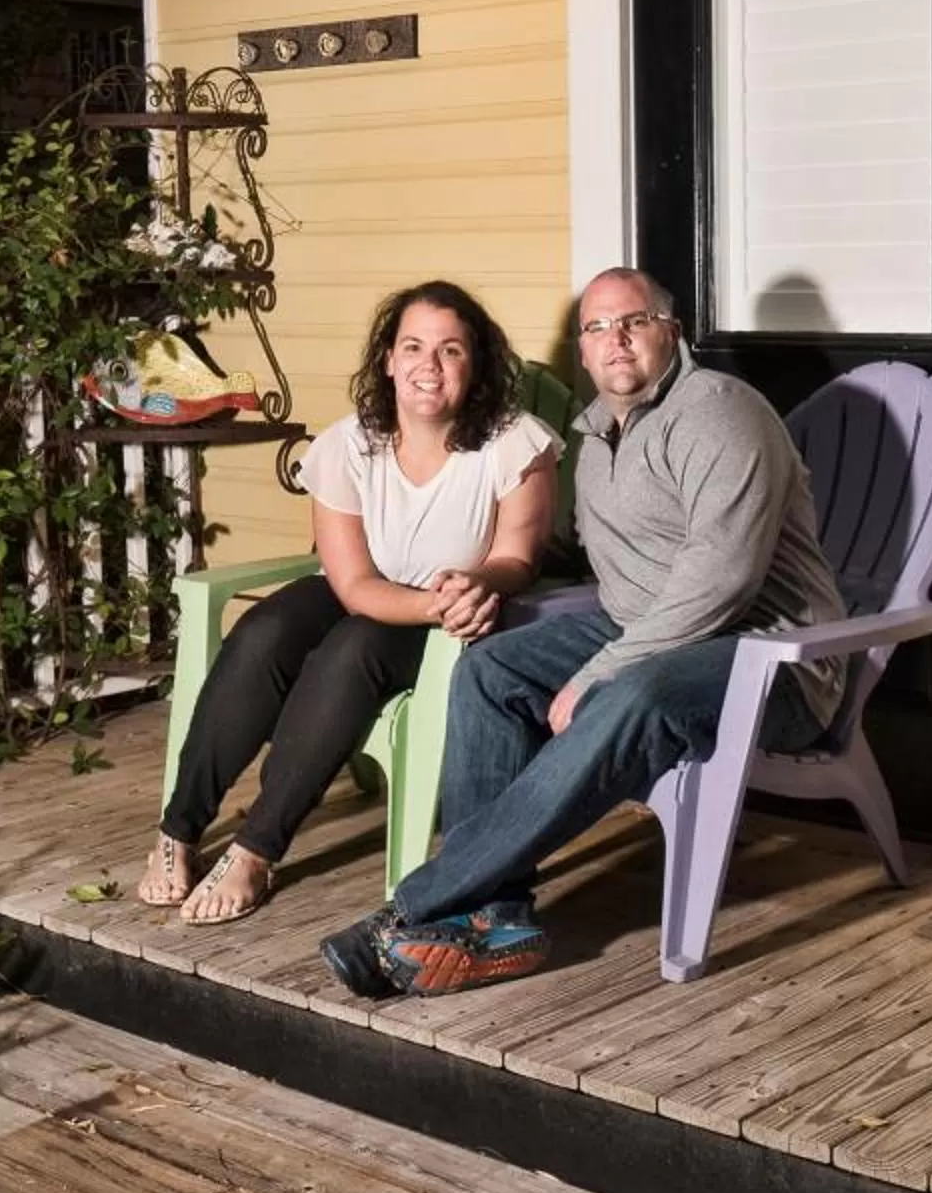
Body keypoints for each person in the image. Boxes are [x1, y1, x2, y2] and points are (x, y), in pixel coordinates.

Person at [318, 266, 844, 997]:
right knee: (492, 669)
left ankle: (420, 903)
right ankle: (493, 921)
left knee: (633, 694)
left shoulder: (721, 415)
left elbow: (721, 581)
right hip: (652, 633)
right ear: (584, 351)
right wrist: (481, 578)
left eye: (633, 321)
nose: (615, 341)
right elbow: (582, 554)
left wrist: (602, 670)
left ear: (672, 331)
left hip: (771, 658)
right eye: (596, 328)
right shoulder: (596, 436)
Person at [139, 281, 557, 924]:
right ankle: (179, 828)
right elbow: (353, 585)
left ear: (475, 366)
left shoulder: (514, 443)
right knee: (262, 632)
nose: (429, 365)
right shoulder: (348, 445)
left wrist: (479, 586)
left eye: (451, 350)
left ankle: (257, 847)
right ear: (388, 360)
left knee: (354, 647)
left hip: (454, 618)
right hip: (376, 592)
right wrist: (426, 605)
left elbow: (516, 558)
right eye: (413, 346)